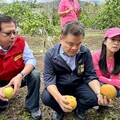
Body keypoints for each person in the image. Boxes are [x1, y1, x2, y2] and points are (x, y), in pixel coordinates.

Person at [41, 21, 112, 120]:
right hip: (59, 85)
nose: (74, 48)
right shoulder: (51, 55)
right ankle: (59, 110)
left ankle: (79, 109)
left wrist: (98, 92)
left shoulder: (85, 52)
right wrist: (59, 98)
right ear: (61, 39)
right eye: (70, 44)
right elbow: (49, 80)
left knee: (95, 98)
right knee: (46, 98)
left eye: (78, 44)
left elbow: (90, 75)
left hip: (78, 84)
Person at [0, 14, 41, 120]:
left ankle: (33, 107)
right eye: (8, 33)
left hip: (18, 78)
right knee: (2, 106)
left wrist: (20, 75)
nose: (13, 36)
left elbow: (31, 60)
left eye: (14, 32)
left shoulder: (20, 42)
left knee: (35, 74)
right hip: (1, 81)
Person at [92, 28, 120, 93]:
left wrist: (115, 82)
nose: (116, 43)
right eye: (113, 39)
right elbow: (97, 77)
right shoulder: (95, 56)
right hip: (97, 82)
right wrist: (116, 82)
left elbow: (115, 78)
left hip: (111, 84)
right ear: (105, 42)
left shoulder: (118, 58)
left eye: (119, 40)